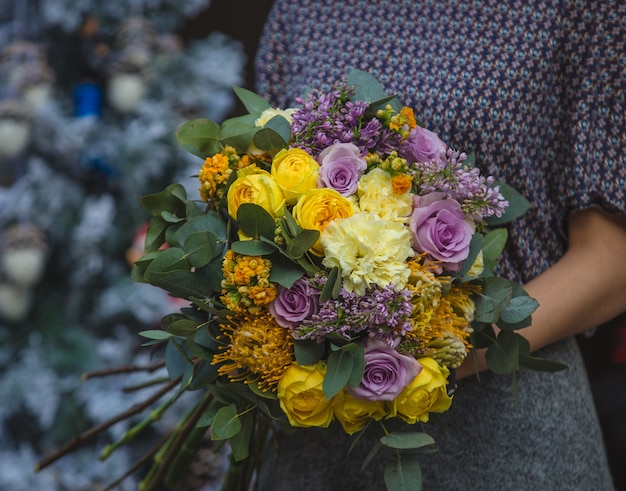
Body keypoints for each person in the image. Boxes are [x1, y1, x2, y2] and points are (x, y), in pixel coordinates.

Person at [253, 0, 626, 490]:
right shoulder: (302, 10)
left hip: (503, 423)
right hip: (316, 419)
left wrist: (417, 349)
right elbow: (261, 190)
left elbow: (611, 261)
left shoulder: (581, 10)